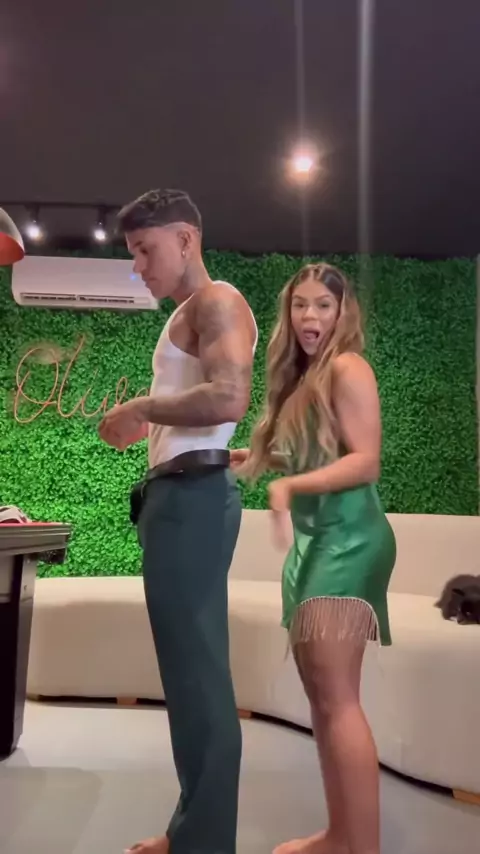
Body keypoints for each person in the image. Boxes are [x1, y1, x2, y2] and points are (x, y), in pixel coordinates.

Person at [99, 189, 257, 854]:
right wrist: (154, 423)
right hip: (182, 497)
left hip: (191, 501)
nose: (138, 266)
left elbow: (230, 395)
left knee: (198, 679)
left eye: (145, 250)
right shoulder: (193, 313)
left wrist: (141, 408)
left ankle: (204, 843)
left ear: (185, 239)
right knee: (189, 679)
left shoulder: (215, 301)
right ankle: (191, 831)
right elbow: (210, 407)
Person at [231, 263, 396, 854]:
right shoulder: (305, 377)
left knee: (338, 698)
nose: (309, 316)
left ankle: (362, 846)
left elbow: (365, 461)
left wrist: (289, 487)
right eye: (300, 304)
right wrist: (257, 460)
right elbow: (314, 457)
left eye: (323, 305)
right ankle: (340, 834)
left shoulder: (349, 367)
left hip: (349, 540)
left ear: (342, 312)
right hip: (314, 543)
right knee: (323, 698)